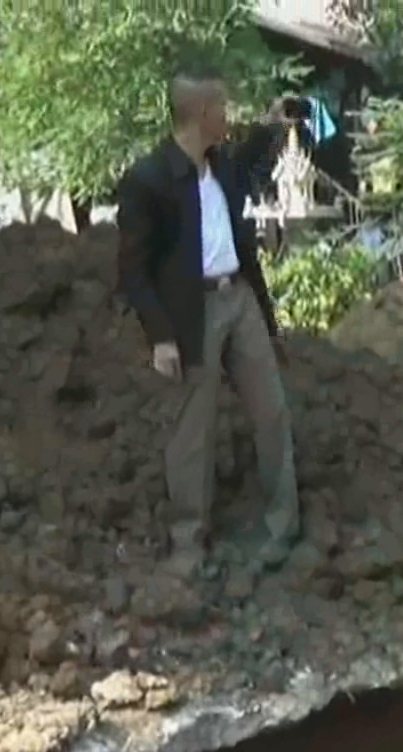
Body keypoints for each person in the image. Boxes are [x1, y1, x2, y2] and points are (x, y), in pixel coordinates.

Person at [115, 70, 301, 577]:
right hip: (189, 311)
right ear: (201, 114)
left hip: (238, 296)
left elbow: (256, 156)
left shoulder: (222, 166)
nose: (229, 116)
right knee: (192, 429)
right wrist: (159, 336)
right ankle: (188, 541)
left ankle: (282, 527)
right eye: (223, 108)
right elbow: (132, 269)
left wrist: (274, 122)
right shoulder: (149, 180)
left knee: (272, 410)